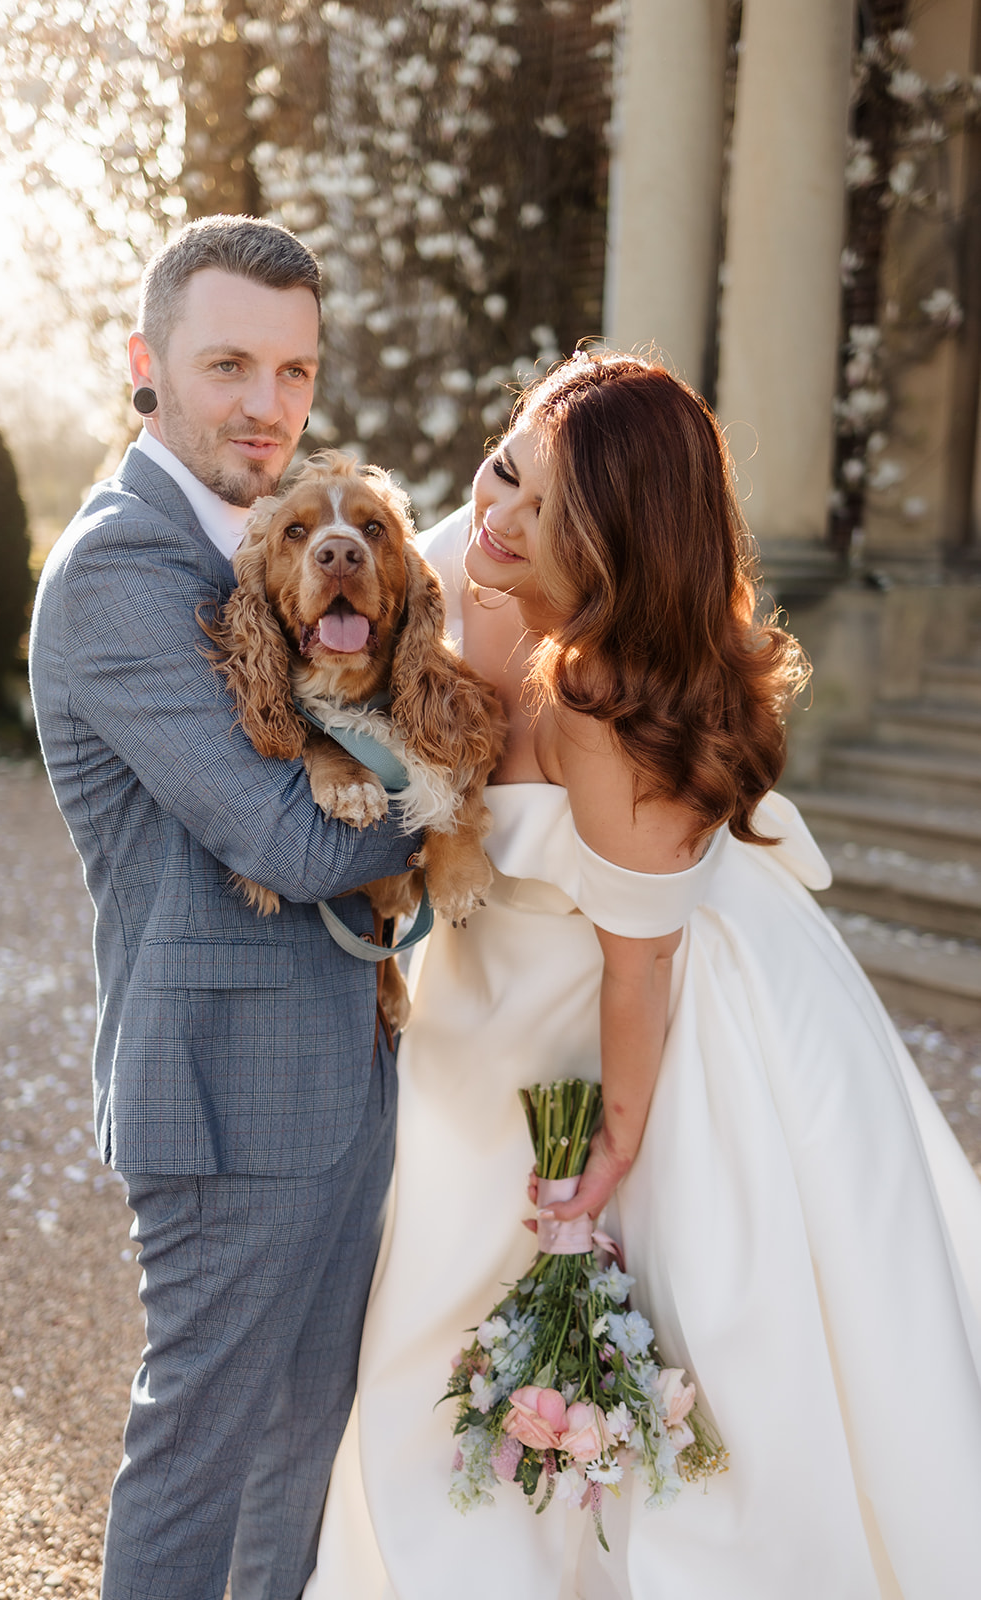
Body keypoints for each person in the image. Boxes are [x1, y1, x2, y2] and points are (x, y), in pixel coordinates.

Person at [303, 352, 981, 1600]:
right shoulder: (472, 551)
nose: (497, 518)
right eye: (503, 469)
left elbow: (639, 969)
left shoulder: (616, 710)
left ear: (614, 557)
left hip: (649, 1016)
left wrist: (606, 1157)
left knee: (704, 1322)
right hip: (483, 1003)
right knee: (421, 1311)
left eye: (544, 515)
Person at [29, 215, 420, 1600]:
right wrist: (482, 785)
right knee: (199, 1455)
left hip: (339, 1076)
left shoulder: (262, 552)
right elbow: (291, 844)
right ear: (147, 364)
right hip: (223, 1096)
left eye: (295, 373)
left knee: (297, 1454)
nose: (268, 408)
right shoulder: (125, 573)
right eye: (229, 367)